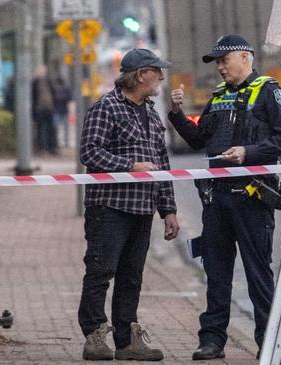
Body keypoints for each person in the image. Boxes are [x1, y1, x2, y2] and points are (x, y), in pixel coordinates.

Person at [168, 34, 281, 360]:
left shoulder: (269, 92)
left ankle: (268, 342)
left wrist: (248, 152)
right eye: (217, 62)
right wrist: (177, 114)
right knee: (217, 274)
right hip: (216, 201)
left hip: (252, 199)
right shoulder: (220, 96)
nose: (220, 67)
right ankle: (212, 340)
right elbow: (198, 140)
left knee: (258, 275)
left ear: (244, 57)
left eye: (224, 60)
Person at [78, 48, 180, 361]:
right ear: (139, 75)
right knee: (100, 271)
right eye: (156, 71)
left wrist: (169, 210)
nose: (161, 77)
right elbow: (89, 152)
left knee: (131, 276)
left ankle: (126, 340)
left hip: (142, 208)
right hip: (109, 207)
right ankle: (94, 335)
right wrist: (129, 165)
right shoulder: (107, 107)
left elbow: (161, 164)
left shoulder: (150, 113)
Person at [31, 65, 58, 154]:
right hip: (39, 109)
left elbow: (54, 93)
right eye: (41, 71)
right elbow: (33, 96)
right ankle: (41, 148)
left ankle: (52, 148)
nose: (42, 73)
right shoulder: (34, 82)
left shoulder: (49, 81)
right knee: (40, 129)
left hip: (49, 108)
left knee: (51, 129)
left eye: (43, 71)